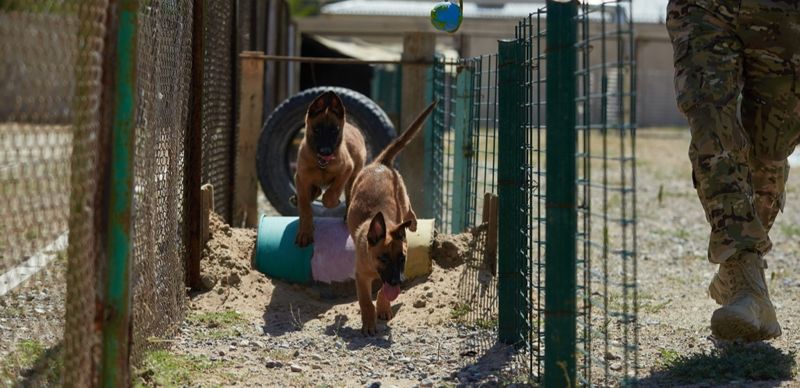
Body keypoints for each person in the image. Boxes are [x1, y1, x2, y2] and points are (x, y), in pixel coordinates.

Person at [667, 0, 799, 341]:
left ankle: (741, 275)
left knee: (769, 149)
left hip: (784, 14)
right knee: (712, 123)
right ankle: (745, 278)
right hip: (703, 7)